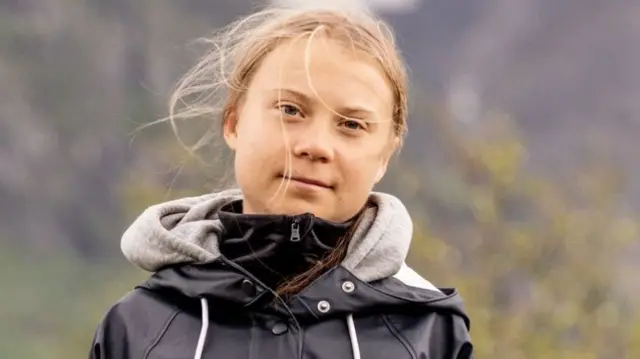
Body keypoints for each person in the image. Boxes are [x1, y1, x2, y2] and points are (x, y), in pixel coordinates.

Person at [89, 5, 473, 359]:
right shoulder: (139, 328)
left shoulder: (429, 333)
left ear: (385, 156)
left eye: (352, 124)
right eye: (290, 110)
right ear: (234, 122)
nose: (316, 146)